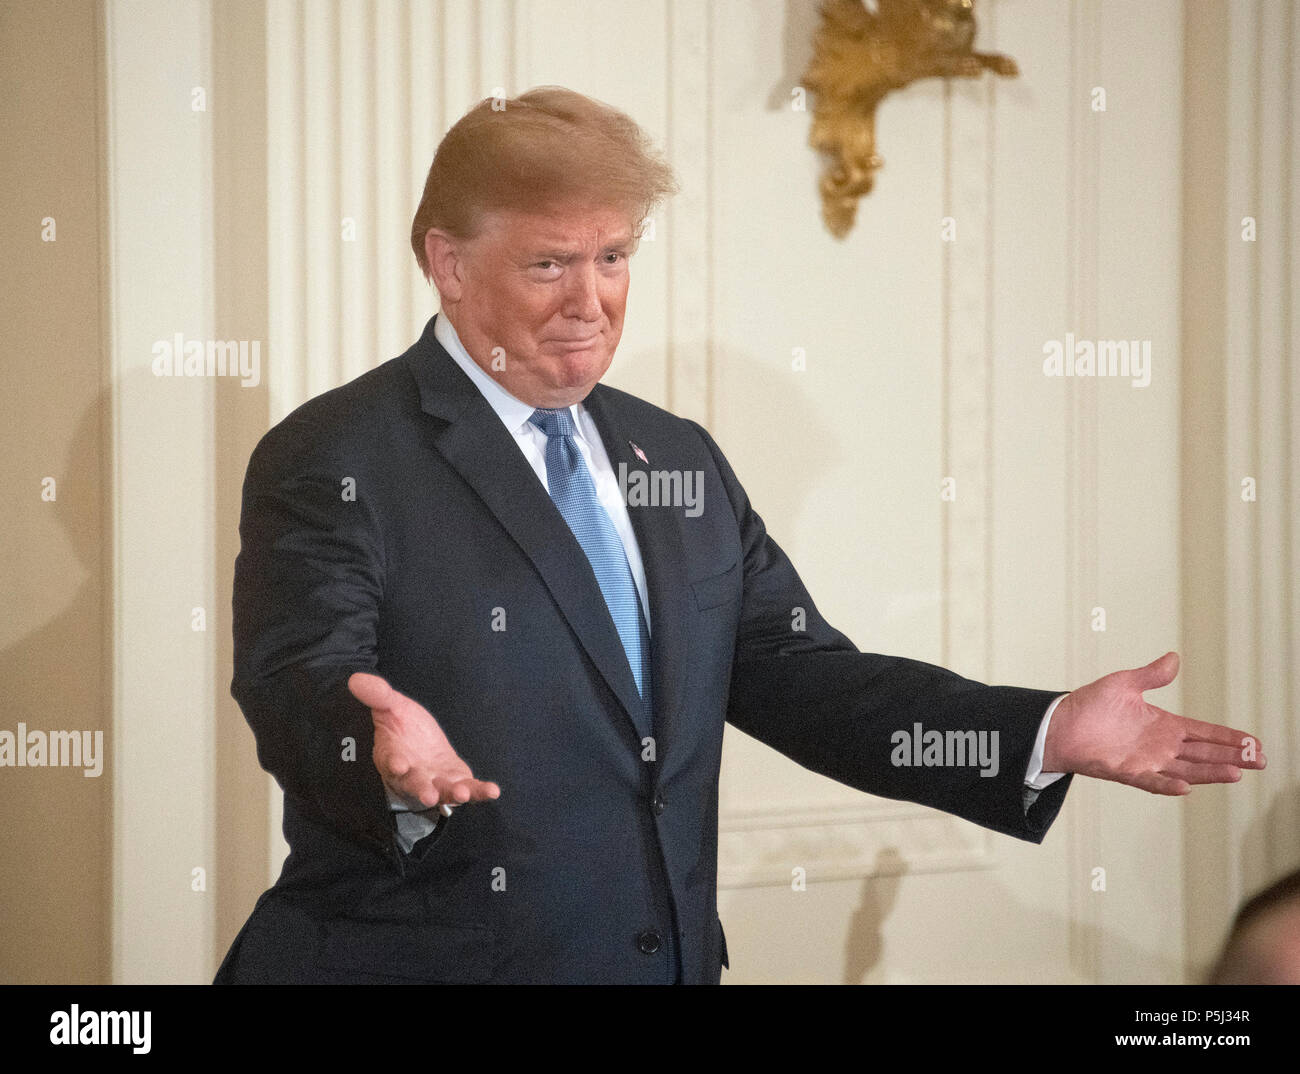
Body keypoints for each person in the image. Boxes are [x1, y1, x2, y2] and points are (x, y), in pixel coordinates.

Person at [214, 86, 1266, 985]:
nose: (592, 301)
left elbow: (798, 676)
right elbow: (298, 677)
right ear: (447, 262)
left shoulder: (673, 459)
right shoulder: (338, 453)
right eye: (548, 264)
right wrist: (378, 751)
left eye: (614, 256)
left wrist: (1036, 734)